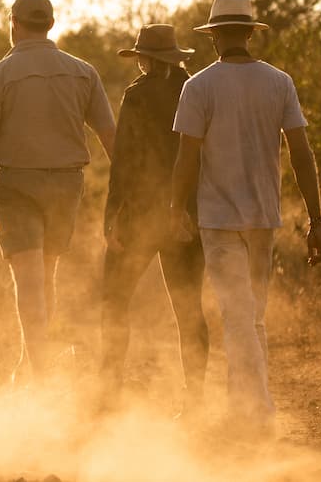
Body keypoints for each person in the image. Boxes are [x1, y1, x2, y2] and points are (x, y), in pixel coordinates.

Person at [170, 0, 321, 437]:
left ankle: (257, 414)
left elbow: (186, 159)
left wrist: (173, 210)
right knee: (250, 316)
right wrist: (317, 221)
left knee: (240, 316)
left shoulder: (198, 86)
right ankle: (244, 408)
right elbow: (302, 153)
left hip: (218, 219)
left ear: (216, 36)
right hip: (264, 217)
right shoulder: (279, 82)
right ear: (249, 34)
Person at [0, 0, 115, 384]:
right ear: (51, 24)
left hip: (18, 183)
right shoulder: (83, 72)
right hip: (67, 184)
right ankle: (31, 364)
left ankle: (39, 375)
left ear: (14, 24)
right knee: (45, 274)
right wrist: (126, 193)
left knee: (29, 280)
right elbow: (110, 136)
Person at [100, 24, 209, 412]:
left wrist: (112, 212)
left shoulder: (138, 94)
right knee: (188, 307)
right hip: (186, 213)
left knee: (114, 300)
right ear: (176, 57)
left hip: (141, 214)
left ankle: (108, 393)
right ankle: (194, 398)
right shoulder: (196, 88)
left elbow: (125, 159)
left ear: (146, 59)